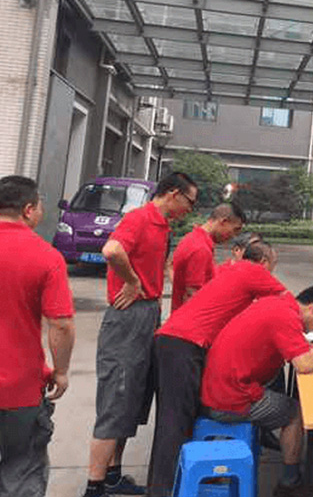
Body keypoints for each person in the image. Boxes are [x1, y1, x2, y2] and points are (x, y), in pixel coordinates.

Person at [83, 171, 198, 497]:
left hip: (147, 314)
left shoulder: (162, 226)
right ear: (173, 193)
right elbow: (112, 250)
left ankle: (113, 475)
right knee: (116, 398)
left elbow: (154, 263)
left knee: (133, 398)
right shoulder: (140, 218)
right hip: (128, 317)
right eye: (189, 202)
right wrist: (133, 282)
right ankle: (94, 486)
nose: (190, 209)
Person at [0, 175, 76, 497]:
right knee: (21, 471)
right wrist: (61, 371)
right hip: (18, 390)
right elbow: (61, 324)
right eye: (40, 206)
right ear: (28, 210)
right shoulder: (45, 257)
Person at [146, 241, 287, 496]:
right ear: (265, 262)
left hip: (175, 339)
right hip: (184, 344)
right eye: (273, 266)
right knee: (175, 421)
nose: (272, 272)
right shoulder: (254, 271)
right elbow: (288, 303)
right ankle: (162, 491)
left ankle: (181, 479)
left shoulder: (232, 270)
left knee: (178, 417)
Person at [200, 287, 313, 488]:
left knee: (279, 382)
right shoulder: (286, 317)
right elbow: (303, 364)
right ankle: (290, 481)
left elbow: (294, 346)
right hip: (229, 398)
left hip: (216, 387)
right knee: (295, 412)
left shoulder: (278, 304)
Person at [170, 202, 246, 311]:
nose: (233, 236)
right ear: (223, 221)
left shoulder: (192, 238)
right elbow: (192, 295)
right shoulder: (200, 249)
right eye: (235, 230)